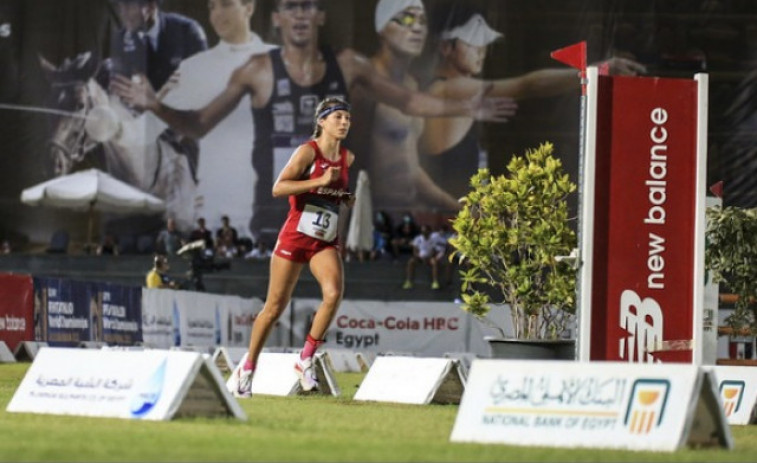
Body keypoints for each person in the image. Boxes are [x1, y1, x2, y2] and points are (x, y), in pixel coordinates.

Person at [110, 0, 515, 245]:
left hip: (330, 206)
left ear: (320, 16)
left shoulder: (348, 64)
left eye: (307, 7)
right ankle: (255, 364)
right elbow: (198, 124)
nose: (300, 15)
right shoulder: (257, 70)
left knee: (331, 290)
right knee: (280, 297)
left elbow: (410, 100)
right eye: (290, 7)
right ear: (278, 19)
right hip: (274, 211)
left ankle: (305, 360)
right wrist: (153, 104)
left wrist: (468, 109)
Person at [419, 3, 648, 199]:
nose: (481, 51)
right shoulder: (448, 88)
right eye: (472, 44)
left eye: (484, 43)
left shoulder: (449, 88)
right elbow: (529, 85)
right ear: (445, 47)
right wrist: (596, 71)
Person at [228, 97, 355, 397]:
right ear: (322, 121)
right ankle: (248, 369)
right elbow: (278, 187)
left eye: (347, 118)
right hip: (295, 237)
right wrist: (318, 181)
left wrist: (343, 197)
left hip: (324, 239)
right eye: (337, 116)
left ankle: (305, 358)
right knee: (273, 309)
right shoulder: (306, 152)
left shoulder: (348, 158)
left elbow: (332, 192)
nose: (344, 122)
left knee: (334, 293)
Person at [351, 0, 495, 217]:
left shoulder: (411, 85)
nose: (417, 28)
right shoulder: (363, 83)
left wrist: (458, 210)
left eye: (422, 21)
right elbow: (346, 161)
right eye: (407, 18)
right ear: (382, 27)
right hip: (368, 215)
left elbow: (410, 168)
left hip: (404, 217)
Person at [158, 0, 277, 232]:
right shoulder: (195, 67)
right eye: (212, 7)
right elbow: (150, 128)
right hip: (214, 203)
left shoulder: (279, 59)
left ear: (249, 7)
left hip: (270, 201)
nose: (217, 14)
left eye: (225, 4)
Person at [108, 0, 208, 92]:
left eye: (129, 7)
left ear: (151, 6)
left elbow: (202, 83)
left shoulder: (187, 32)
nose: (123, 13)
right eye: (120, 6)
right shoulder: (121, 41)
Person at [402, 224, 447, 289]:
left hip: (429, 257)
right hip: (419, 257)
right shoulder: (418, 239)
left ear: (429, 231)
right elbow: (415, 251)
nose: (424, 233)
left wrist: (429, 257)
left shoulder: (433, 240)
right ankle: (408, 281)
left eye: (426, 231)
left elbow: (433, 250)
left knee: (434, 263)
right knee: (411, 262)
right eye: (423, 231)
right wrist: (419, 257)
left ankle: (435, 282)